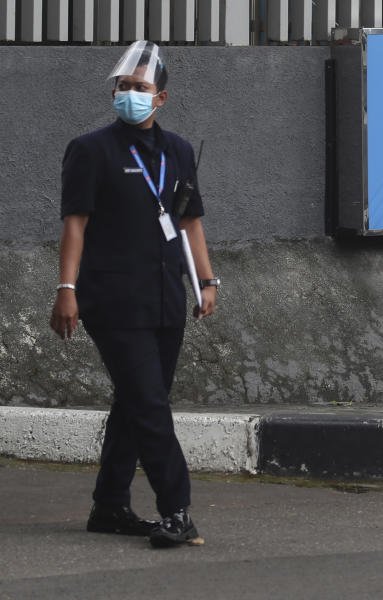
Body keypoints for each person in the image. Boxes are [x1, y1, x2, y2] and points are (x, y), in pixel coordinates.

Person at [48, 41, 219, 549]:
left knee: (137, 401)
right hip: (111, 299)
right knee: (149, 405)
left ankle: (109, 506)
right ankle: (177, 510)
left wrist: (206, 282)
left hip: (166, 296)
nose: (129, 95)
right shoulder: (91, 150)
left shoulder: (179, 152)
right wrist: (66, 289)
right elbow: (74, 225)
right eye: (123, 87)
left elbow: (190, 223)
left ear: (160, 98)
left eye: (140, 88)